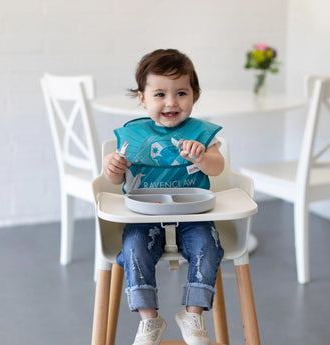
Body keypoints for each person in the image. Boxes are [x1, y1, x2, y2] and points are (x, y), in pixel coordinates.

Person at [103, 49, 225, 345]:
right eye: (159, 94)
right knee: (133, 249)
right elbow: (116, 180)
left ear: (194, 95)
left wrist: (202, 157)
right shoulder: (132, 136)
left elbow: (218, 167)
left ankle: (193, 314)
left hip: (193, 213)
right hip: (144, 214)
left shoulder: (201, 134)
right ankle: (150, 320)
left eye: (181, 92)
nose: (171, 102)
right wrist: (112, 167)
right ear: (142, 99)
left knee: (209, 246)